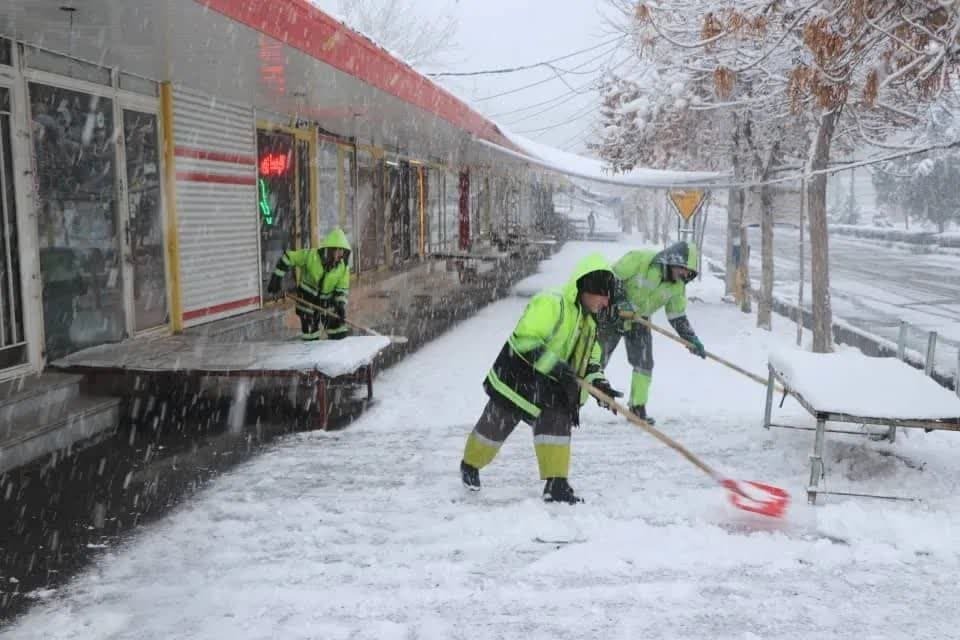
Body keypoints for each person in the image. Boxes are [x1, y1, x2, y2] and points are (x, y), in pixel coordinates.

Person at [459, 253, 623, 504]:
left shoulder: (589, 324)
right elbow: (525, 340)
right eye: (604, 294)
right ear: (588, 287)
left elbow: (590, 361)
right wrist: (557, 368)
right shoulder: (551, 302)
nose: (606, 301)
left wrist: (600, 386)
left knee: (558, 422)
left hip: (548, 387)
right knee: (492, 429)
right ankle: (470, 464)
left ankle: (556, 484)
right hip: (517, 380)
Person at [596, 240, 705, 425]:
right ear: (673, 260)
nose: (685, 275)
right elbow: (611, 277)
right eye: (684, 269)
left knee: (644, 364)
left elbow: (677, 316)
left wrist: (691, 338)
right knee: (596, 360)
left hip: (640, 320)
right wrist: (620, 300)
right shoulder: (639, 259)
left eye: (689, 273)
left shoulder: (677, 287)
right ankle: (572, 401)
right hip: (613, 315)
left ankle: (637, 409)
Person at [267, 227, 352, 340]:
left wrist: (340, 305)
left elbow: (342, 289)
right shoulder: (310, 256)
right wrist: (276, 277)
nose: (340, 256)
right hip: (307, 301)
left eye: (343, 252)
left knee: (339, 332)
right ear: (330, 249)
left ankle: (339, 355)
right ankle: (312, 355)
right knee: (311, 337)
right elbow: (289, 258)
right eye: (338, 251)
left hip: (328, 303)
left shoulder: (343, 268)